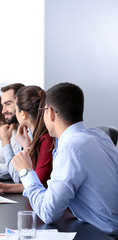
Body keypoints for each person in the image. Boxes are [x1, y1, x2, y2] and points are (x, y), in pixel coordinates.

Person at [12, 82, 118, 235]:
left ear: (51, 113)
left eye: (43, 110)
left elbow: (47, 212)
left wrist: (25, 172)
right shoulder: (99, 136)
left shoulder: (71, 148)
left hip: (100, 234)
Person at [0, 86, 54, 194]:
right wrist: (2, 187)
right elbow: (29, 181)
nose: (3, 111)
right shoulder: (30, 136)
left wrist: (6, 142)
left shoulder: (46, 140)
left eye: (9, 104)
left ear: (23, 114)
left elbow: (25, 180)